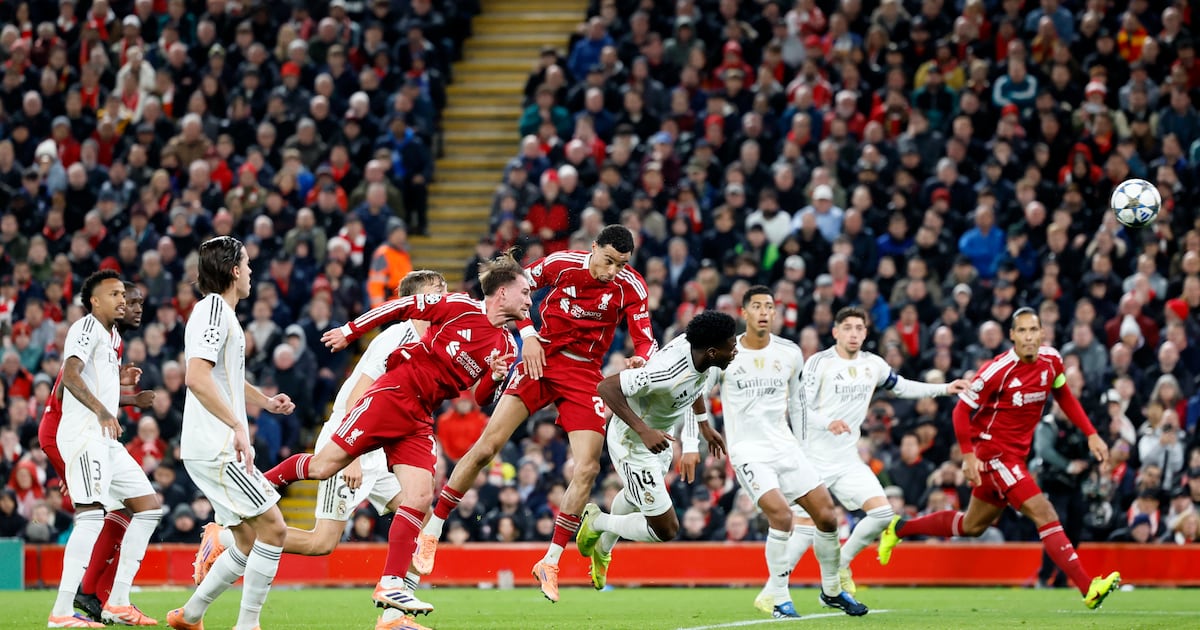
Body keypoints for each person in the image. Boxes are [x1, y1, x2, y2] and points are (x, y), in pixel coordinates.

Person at [264, 253, 528, 630]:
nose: (529, 302)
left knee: (420, 498)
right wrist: (350, 331)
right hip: (394, 395)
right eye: (525, 293)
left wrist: (495, 376)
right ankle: (261, 486)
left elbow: (481, 395)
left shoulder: (505, 344)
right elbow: (401, 305)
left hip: (420, 415)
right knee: (323, 468)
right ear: (502, 293)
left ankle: (390, 591)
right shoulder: (457, 308)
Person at [414, 225, 657, 603]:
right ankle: (434, 526)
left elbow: (645, 336)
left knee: (589, 467)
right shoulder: (561, 264)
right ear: (593, 248)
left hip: (584, 374)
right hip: (541, 358)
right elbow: (516, 294)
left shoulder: (631, 286)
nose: (612, 272)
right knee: (487, 446)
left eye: (621, 264)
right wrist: (528, 335)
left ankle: (551, 560)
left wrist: (641, 357)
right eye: (607, 261)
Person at [195, 271, 447, 581]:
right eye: (438, 291)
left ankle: (396, 607)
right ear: (416, 301)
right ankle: (224, 539)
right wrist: (352, 456)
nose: (444, 297)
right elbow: (358, 395)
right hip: (352, 437)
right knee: (321, 542)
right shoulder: (396, 338)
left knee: (420, 517)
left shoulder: (434, 340)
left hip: (381, 444)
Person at [877, 307, 1121, 610]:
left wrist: (1091, 433)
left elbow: (1064, 396)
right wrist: (968, 457)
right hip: (994, 454)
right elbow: (960, 410)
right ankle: (1089, 587)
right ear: (1012, 336)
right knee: (1044, 512)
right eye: (1022, 331)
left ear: (1042, 333)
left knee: (972, 525)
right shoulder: (997, 370)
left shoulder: (1052, 361)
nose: (1029, 337)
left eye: (1034, 330)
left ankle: (899, 528)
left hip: (1015, 455)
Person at [166, 237, 297, 630]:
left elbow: (226, 379)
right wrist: (238, 426)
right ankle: (248, 625)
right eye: (249, 264)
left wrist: (265, 402)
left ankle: (190, 615)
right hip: (217, 446)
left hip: (211, 445)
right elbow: (196, 376)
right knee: (274, 528)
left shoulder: (222, 314)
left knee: (246, 539)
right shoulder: (212, 311)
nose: (253, 272)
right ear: (235, 270)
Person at [797, 306, 968, 595]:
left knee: (882, 514)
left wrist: (944, 388)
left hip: (847, 460)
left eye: (859, 328)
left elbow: (900, 387)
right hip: (812, 459)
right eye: (848, 327)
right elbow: (800, 408)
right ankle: (776, 590)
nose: (854, 333)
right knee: (797, 530)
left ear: (865, 333)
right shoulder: (819, 363)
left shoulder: (873, 364)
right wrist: (827, 423)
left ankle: (842, 564)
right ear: (836, 331)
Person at [721, 286, 868, 618]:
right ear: (743, 313)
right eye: (756, 306)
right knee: (782, 517)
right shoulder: (726, 354)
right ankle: (779, 597)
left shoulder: (789, 352)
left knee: (828, 517)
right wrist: (693, 439)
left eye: (769, 306)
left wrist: (804, 449)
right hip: (748, 451)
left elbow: (798, 407)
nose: (763, 311)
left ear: (775, 313)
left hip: (787, 448)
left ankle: (832, 591)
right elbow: (698, 392)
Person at [575, 312, 741, 600]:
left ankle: (603, 549)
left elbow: (696, 385)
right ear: (714, 351)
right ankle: (597, 521)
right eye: (731, 345)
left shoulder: (707, 358)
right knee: (665, 528)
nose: (735, 350)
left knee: (634, 495)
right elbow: (607, 387)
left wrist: (702, 425)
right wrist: (643, 431)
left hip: (660, 440)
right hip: (633, 442)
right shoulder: (667, 372)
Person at [49, 270, 161, 628]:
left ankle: (117, 602)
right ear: (95, 300)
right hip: (84, 437)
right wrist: (102, 411)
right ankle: (62, 612)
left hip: (106, 441)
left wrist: (124, 394)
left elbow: (97, 382)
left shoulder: (111, 337)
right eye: (114, 294)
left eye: (122, 296)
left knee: (148, 509)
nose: (122, 301)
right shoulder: (84, 328)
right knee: (91, 516)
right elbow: (70, 375)